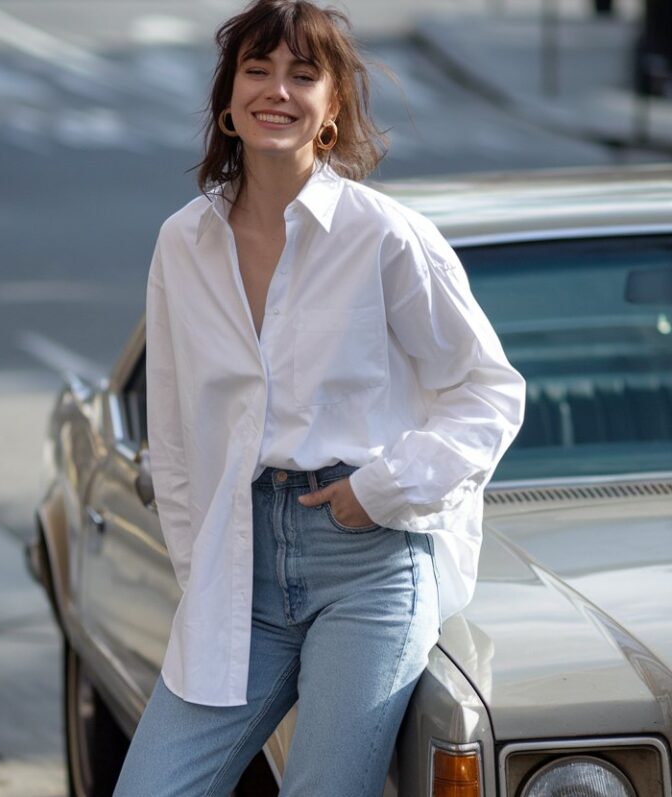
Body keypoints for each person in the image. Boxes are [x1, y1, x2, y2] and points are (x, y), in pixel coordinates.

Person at [113, 0, 526, 795]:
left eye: (304, 75)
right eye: (257, 70)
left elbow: (486, 390)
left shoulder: (384, 236)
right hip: (244, 568)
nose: (278, 90)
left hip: (368, 562)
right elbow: (173, 431)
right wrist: (206, 570)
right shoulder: (182, 243)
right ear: (229, 100)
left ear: (332, 107)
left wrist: (380, 490)